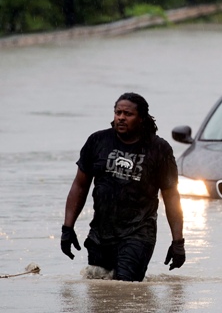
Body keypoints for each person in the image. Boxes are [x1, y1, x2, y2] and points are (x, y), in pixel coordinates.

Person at [61, 92, 185, 282]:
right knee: (99, 294)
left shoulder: (158, 149)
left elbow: (171, 196)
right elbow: (79, 186)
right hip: (100, 234)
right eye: (118, 112)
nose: (121, 117)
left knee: (125, 288)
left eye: (128, 114)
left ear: (141, 118)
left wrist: (178, 242)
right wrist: (67, 228)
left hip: (139, 233)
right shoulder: (98, 141)